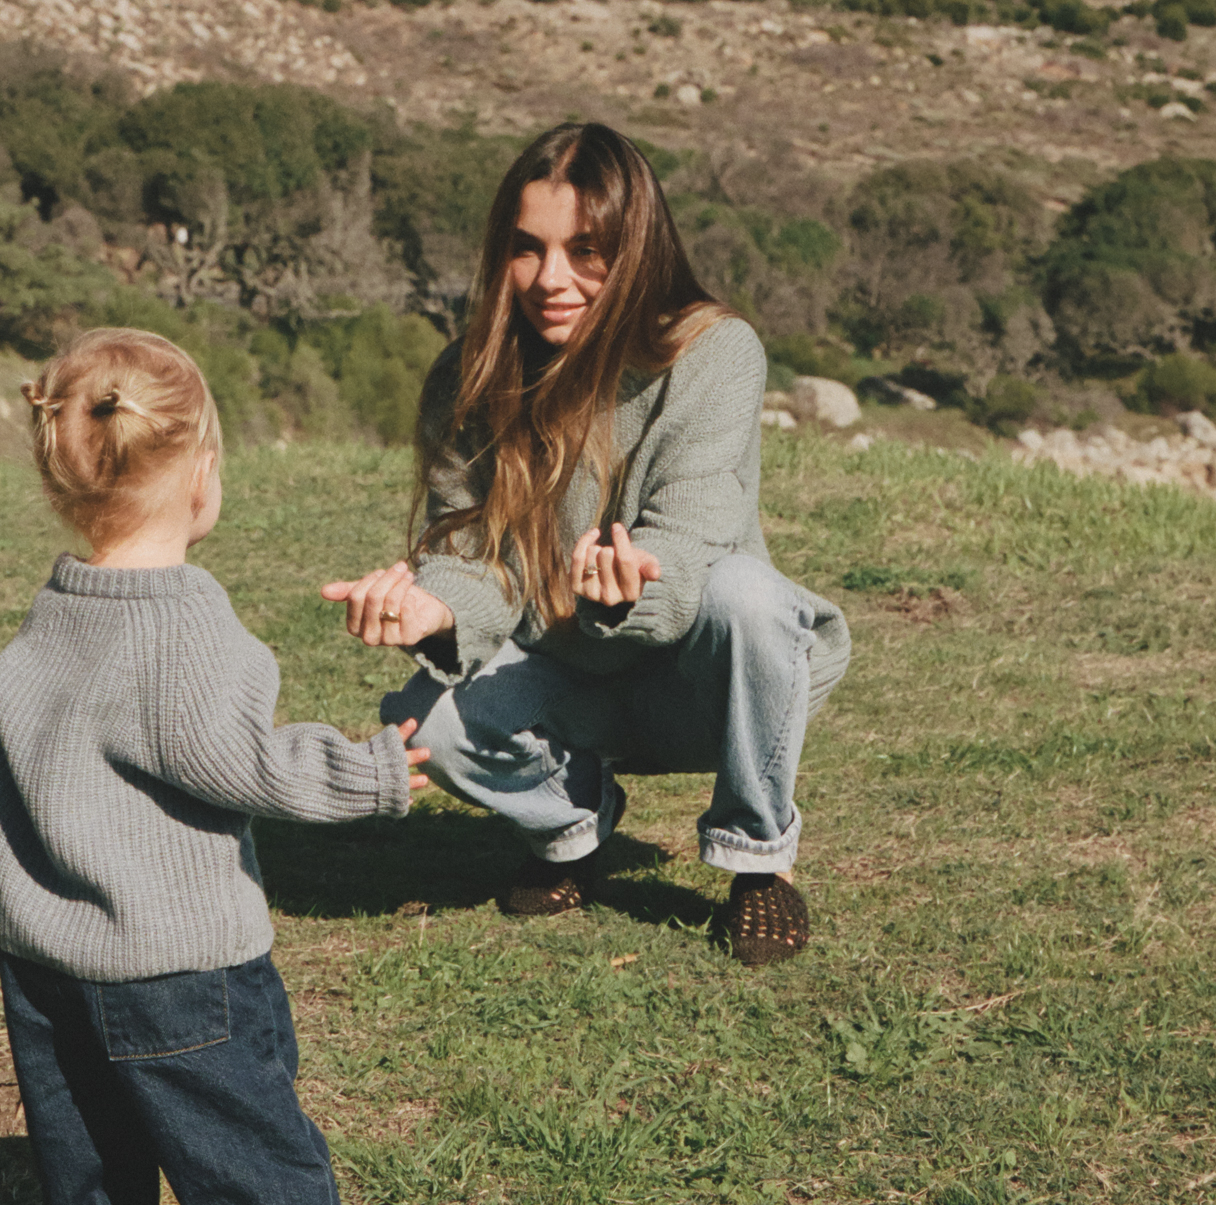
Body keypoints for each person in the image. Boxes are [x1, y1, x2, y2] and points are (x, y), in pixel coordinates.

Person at [0, 326, 429, 1205]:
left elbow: (8, 767)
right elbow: (235, 761)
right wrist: (364, 772)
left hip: (44, 956)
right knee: (236, 1113)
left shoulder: (47, 623)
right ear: (200, 474)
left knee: (84, 1124)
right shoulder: (186, 622)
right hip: (178, 954)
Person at [323, 123, 849, 967]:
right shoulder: (468, 375)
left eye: (587, 250)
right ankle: (573, 832)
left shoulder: (714, 352)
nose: (551, 280)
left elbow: (694, 538)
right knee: (423, 718)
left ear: (636, 247)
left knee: (750, 595)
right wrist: (435, 607)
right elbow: (471, 552)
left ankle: (758, 861)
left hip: (703, 684)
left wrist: (633, 591)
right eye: (528, 250)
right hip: (571, 682)